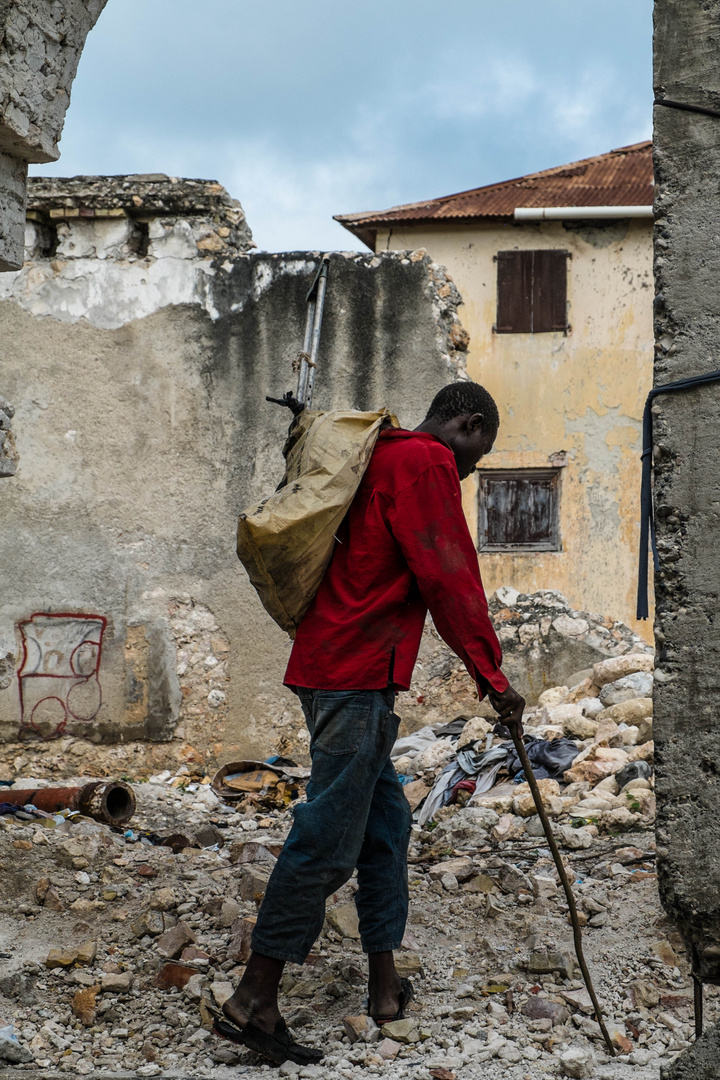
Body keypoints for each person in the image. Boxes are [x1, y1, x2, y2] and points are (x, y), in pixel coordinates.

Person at [215, 381, 525, 1065]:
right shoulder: (425, 462)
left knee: (385, 825)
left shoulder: (378, 455)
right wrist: (493, 678)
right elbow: (448, 574)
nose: (471, 470)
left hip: (333, 667)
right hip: (352, 677)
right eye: (480, 452)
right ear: (467, 424)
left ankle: (384, 989)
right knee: (328, 838)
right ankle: (254, 997)